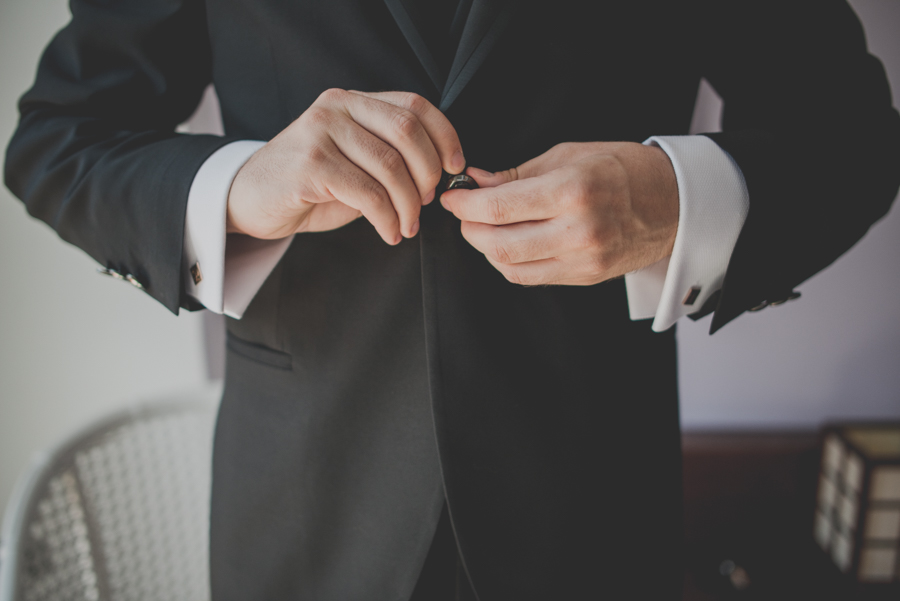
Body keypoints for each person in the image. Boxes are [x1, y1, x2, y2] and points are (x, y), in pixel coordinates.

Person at [5, 0, 899, 598]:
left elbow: (852, 136)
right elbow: (58, 138)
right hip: (306, 512)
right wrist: (240, 187)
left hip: (592, 508)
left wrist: (674, 199)